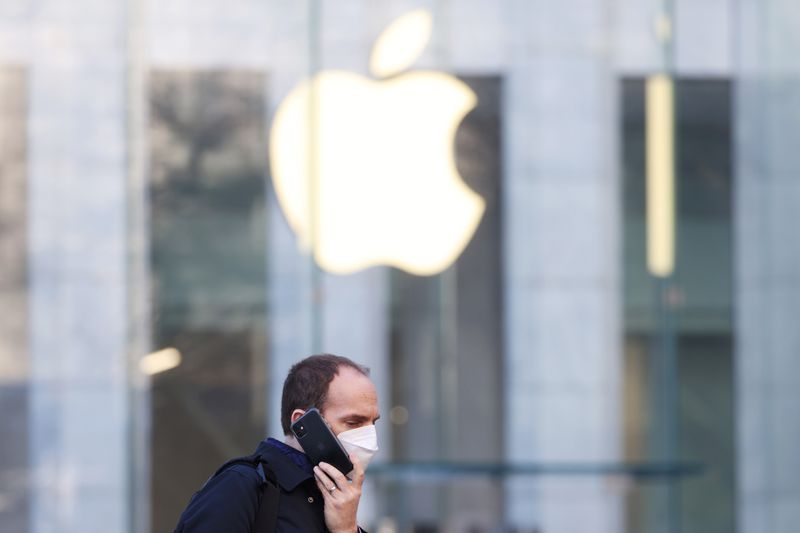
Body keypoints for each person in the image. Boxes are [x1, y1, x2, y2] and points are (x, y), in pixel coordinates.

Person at [174, 354, 380, 533]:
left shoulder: (340, 504)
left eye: (373, 423)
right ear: (303, 421)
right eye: (354, 422)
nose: (369, 436)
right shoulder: (241, 485)